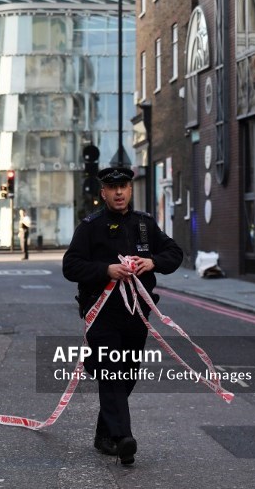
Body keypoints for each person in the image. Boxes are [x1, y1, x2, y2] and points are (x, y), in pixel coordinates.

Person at [62, 167, 182, 465]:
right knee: (112, 370)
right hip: (101, 314)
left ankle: (104, 435)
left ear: (130, 190)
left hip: (136, 315)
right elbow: (71, 266)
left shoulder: (144, 224)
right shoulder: (90, 226)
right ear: (102, 192)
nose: (118, 192)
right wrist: (106, 270)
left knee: (127, 374)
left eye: (124, 186)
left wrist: (151, 262)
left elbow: (175, 254)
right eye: (112, 187)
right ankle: (122, 437)